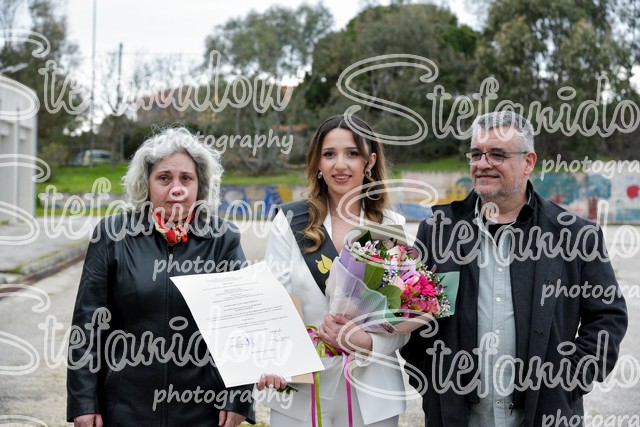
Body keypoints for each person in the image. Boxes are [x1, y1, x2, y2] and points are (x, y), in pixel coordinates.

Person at [401, 111, 628, 426]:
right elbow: (409, 314)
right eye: (476, 154)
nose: (483, 163)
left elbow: (607, 318)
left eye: (497, 154)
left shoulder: (575, 235)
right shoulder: (438, 231)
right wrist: (431, 386)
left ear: (528, 162)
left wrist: (567, 384)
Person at [67, 127, 254, 427]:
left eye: (186, 178)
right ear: (146, 183)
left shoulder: (224, 238)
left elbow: (242, 323)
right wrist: (83, 402)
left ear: (200, 185)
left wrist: (239, 397)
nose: (176, 188)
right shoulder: (112, 234)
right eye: (164, 178)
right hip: (124, 408)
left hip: (202, 410)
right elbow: (88, 325)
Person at [258, 115, 408, 427]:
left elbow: (404, 319)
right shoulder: (289, 222)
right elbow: (273, 307)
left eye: (352, 153)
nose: (340, 165)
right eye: (329, 154)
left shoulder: (391, 227)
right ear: (317, 162)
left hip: (372, 393)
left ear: (370, 162)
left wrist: (368, 342)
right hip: (301, 391)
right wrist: (271, 359)